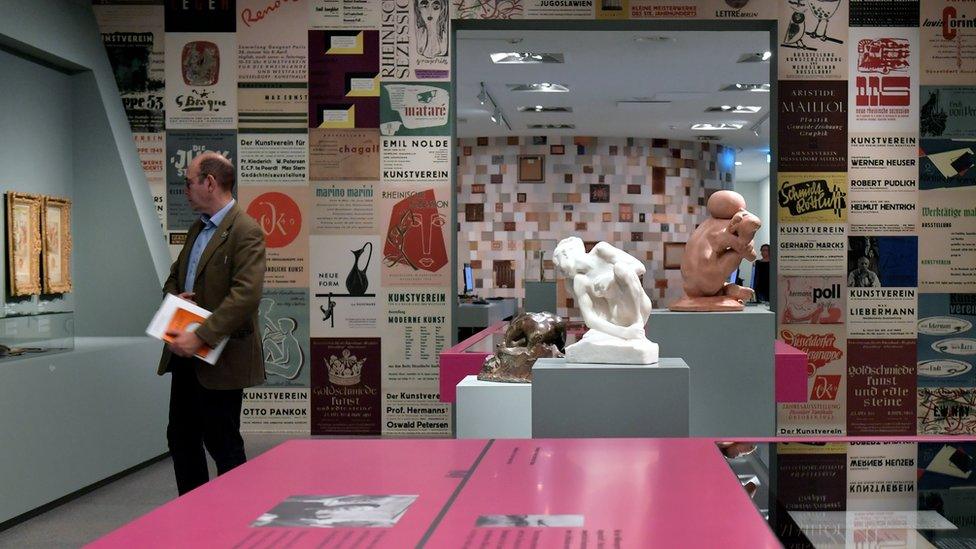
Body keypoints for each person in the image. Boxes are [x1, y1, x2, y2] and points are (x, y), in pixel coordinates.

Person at [157, 152, 267, 495]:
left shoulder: (245, 230)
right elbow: (172, 279)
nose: (184, 190)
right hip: (184, 352)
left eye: (188, 182)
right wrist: (176, 300)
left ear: (210, 182)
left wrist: (201, 335)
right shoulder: (196, 228)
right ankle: (194, 513)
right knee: (181, 437)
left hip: (221, 357)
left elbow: (245, 296)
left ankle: (235, 521)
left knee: (222, 444)